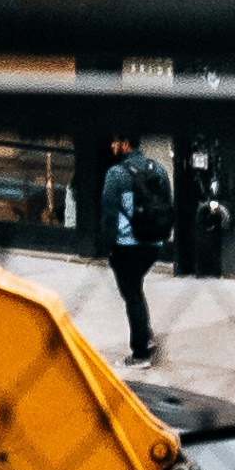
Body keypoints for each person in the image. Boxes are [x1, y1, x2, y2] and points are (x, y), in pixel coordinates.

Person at [95, 136, 174, 364]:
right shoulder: (157, 169)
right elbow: (167, 204)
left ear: (125, 143)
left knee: (131, 296)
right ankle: (146, 335)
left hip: (126, 245)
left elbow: (109, 214)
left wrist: (108, 247)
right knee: (135, 291)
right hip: (153, 244)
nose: (111, 145)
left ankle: (140, 353)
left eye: (115, 141)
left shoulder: (115, 174)